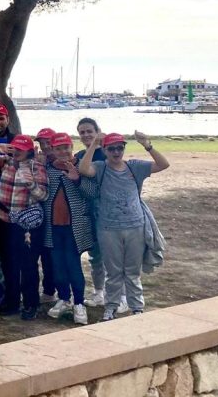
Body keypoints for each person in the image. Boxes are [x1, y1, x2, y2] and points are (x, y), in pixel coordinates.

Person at [79, 131, 169, 321]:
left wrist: (148, 145)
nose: (116, 152)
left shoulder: (134, 167)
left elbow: (163, 164)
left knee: (132, 272)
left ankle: (137, 307)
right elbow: (83, 169)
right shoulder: (100, 167)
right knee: (113, 272)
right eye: (111, 148)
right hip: (108, 229)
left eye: (120, 147)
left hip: (135, 226)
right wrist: (94, 143)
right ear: (105, 150)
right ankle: (111, 307)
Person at [0, 134, 48, 320]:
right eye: (14, 148)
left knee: (28, 265)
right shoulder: (6, 162)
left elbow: (43, 196)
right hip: (1, 218)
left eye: (21, 149)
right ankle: (12, 303)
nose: (16, 152)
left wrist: (30, 184)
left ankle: (31, 304)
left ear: (29, 151)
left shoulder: (37, 167)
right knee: (8, 264)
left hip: (24, 223)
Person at [40, 133, 93, 325]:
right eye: (58, 148)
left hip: (74, 227)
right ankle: (63, 298)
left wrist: (77, 179)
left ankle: (79, 302)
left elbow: (91, 193)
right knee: (57, 265)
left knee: (72, 264)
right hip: (53, 227)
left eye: (65, 147)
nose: (62, 152)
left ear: (71, 146)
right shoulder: (48, 170)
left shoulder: (81, 166)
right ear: (52, 150)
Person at [75, 117, 110, 308]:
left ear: (97, 131)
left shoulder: (108, 152)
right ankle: (99, 293)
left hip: (107, 210)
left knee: (112, 254)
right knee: (95, 254)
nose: (86, 135)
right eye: (82, 132)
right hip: (88, 211)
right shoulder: (80, 155)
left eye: (90, 131)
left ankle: (118, 293)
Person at [35, 126, 58, 303]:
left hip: (58, 216)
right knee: (43, 254)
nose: (45, 146)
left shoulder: (61, 161)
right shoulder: (39, 162)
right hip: (40, 215)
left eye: (47, 142)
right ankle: (46, 290)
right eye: (42, 143)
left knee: (54, 256)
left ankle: (53, 291)